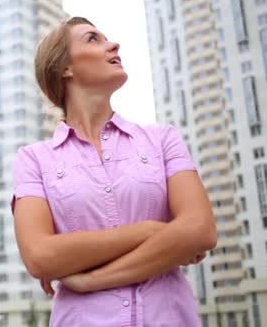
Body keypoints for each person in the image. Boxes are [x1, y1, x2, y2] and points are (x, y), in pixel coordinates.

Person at [11, 17, 217, 326]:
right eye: (93, 39)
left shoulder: (162, 140)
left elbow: (200, 230)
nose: (113, 44)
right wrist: (149, 232)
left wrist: (89, 279)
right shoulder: (33, 159)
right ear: (65, 67)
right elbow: (40, 256)